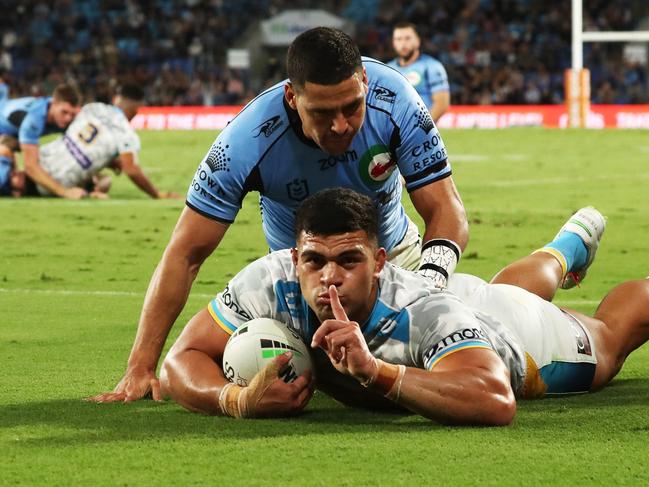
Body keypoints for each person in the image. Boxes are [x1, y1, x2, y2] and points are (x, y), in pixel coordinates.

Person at [88, 27, 468, 403]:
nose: (340, 125)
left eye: (352, 106)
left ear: (364, 81)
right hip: (302, 282)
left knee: (447, 375)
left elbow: (446, 208)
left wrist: (430, 282)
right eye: (321, 113)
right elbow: (185, 252)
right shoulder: (243, 144)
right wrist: (141, 365)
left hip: (394, 261)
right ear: (292, 97)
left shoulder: (396, 98)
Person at [152, 188, 649, 424]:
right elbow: (182, 360)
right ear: (293, 258)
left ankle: (570, 252)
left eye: (349, 260)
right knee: (500, 289)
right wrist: (234, 400)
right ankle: (564, 249)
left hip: (517, 344)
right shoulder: (270, 281)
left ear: (380, 261)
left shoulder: (422, 310)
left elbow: (496, 399)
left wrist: (377, 372)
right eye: (314, 261)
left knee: (607, 340)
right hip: (462, 308)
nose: (329, 277)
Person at [5, 85, 177, 199]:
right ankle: (90, 191)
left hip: (39, 164)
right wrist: (157, 194)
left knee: (104, 181)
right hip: (49, 183)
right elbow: (131, 169)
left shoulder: (92, 108)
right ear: (136, 111)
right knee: (103, 183)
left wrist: (110, 161)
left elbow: (79, 141)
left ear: (117, 99)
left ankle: (90, 190)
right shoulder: (126, 133)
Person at [0, 83, 83, 199]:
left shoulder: (58, 112)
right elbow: (30, 166)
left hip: (12, 139)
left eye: (72, 114)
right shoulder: (34, 118)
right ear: (54, 103)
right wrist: (64, 192)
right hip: (6, 137)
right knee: (7, 179)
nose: (68, 118)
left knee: (19, 182)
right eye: (64, 112)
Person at [388, 22, 450, 124]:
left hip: (423, 130)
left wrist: (423, 127)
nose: (403, 43)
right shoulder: (388, 69)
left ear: (418, 41)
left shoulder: (432, 66)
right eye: (398, 39)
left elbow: (442, 103)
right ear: (393, 43)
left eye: (407, 38)